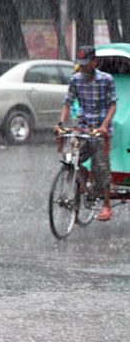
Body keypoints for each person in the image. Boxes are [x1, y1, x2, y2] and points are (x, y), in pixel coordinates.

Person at [56, 45, 117, 221]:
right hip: (82, 126)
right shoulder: (75, 80)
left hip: (99, 130)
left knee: (101, 168)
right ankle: (80, 185)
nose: (82, 68)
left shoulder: (106, 79)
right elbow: (67, 103)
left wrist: (104, 125)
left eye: (86, 64)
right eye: (80, 64)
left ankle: (106, 206)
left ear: (94, 63)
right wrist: (61, 123)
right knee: (71, 159)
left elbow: (113, 104)